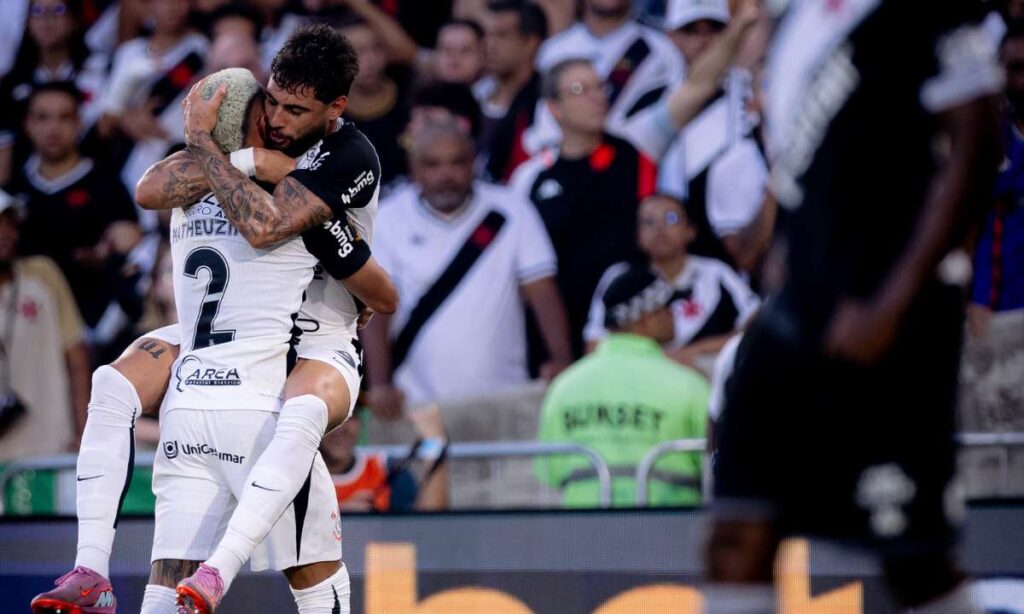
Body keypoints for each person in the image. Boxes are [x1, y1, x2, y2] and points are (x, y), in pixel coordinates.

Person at [31, 26, 395, 614]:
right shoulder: (241, 154)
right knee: (115, 378)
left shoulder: (347, 154)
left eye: (294, 110)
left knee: (300, 415)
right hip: (233, 338)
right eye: (269, 102)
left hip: (317, 338)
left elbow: (270, 228)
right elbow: (152, 187)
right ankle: (90, 568)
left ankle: (211, 572)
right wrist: (237, 154)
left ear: (335, 110)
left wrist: (212, 147)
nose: (276, 118)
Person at [705, 4, 1002, 614]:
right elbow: (806, 171)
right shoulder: (790, 23)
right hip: (794, 312)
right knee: (736, 531)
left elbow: (976, 143)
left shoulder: (916, 12)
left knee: (912, 558)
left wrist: (893, 303)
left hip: (890, 313)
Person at [510, 0, 760, 357]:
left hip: (633, 326)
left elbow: (698, 85)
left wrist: (741, 25)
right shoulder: (529, 178)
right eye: (581, 90)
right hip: (562, 335)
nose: (597, 97)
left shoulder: (637, 140)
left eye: (599, 86)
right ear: (554, 107)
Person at [362, 121, 572, 419]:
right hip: (416, 404)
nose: (445, 175)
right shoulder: (388, 218)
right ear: (414, 168)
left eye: (457, 162)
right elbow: (377, 306)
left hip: (504, 399)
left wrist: (561, 359)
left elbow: (542, 290)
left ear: (473, 163)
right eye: (433, 164)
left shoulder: (513, 209)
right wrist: (380, 383)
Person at [535, 264, 709, 508]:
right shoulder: (689, 386)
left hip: (581, 538)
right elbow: (714, 468)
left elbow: (551, 472)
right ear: (646, 319)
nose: (675, 315)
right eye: (668, 308)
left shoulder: (564, 388)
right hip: (667, 536)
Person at [4, 82, 142, 363]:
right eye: (43, 117)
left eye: (64, 117)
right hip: (22, 329)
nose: (53, 128)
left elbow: (134, 250)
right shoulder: (13, 191)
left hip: (92, 333)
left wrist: (105, 258)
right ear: (28, 124)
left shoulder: (106, 186)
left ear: (79, 123)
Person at [584, 194, 759, 369]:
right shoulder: (619, 278)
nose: (660, 229)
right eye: (648, 222)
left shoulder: (715, 273)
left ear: (690, 230)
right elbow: (594, 345)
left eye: (671, 218)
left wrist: (691, 353)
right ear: (638, 236)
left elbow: (755, 326)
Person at [657, 0, 768, 270]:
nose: (704, 40)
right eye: (691, 30)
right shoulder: (653, 99)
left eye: (715, 29)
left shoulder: (755, 90)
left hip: (755, 252)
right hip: (681, 262)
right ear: (671, 36)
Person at [99, 0, 207, 224]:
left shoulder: (202, 49)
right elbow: (105, 127)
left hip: (180, 158)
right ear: (146, 7)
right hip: (133, 159)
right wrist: (127, 119)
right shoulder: (129, 53)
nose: (171, 6)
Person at [0, 196, 91, 461]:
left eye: (11, 224)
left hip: (51, 449)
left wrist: (85, 434)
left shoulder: (43, 274)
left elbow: (77, 359)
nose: (6, 232)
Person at [529, 0, 683, 152]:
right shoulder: (552, 51)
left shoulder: (662, 50)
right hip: (562, 161)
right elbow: (542, 120)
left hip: (633, 160)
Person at [0, 0, 107, 185]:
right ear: (27, 22)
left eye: (58, 10)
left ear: (74, 19)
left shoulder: (101, 70)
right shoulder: (10, 84)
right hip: (27, 184)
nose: (47, 19)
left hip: (93, 175)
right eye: (38, 11)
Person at [322, 404, 448, 512]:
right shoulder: (302, 476)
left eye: (350, 415)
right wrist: (345, 518)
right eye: (331, 416)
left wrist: (433, 443)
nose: (342, 427)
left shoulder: (385, 469)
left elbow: (429, 529)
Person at [476, 0, 548, 183]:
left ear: (530, 42)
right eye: (487, 35)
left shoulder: (547, 105)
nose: (489, 45)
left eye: (501, 35)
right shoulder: (474, 95)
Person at [434, 19, 486, 85]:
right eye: (447, 50)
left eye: (465, 50)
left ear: (481, 56)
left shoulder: (493, 94)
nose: (454, 58)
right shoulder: (421, 93)